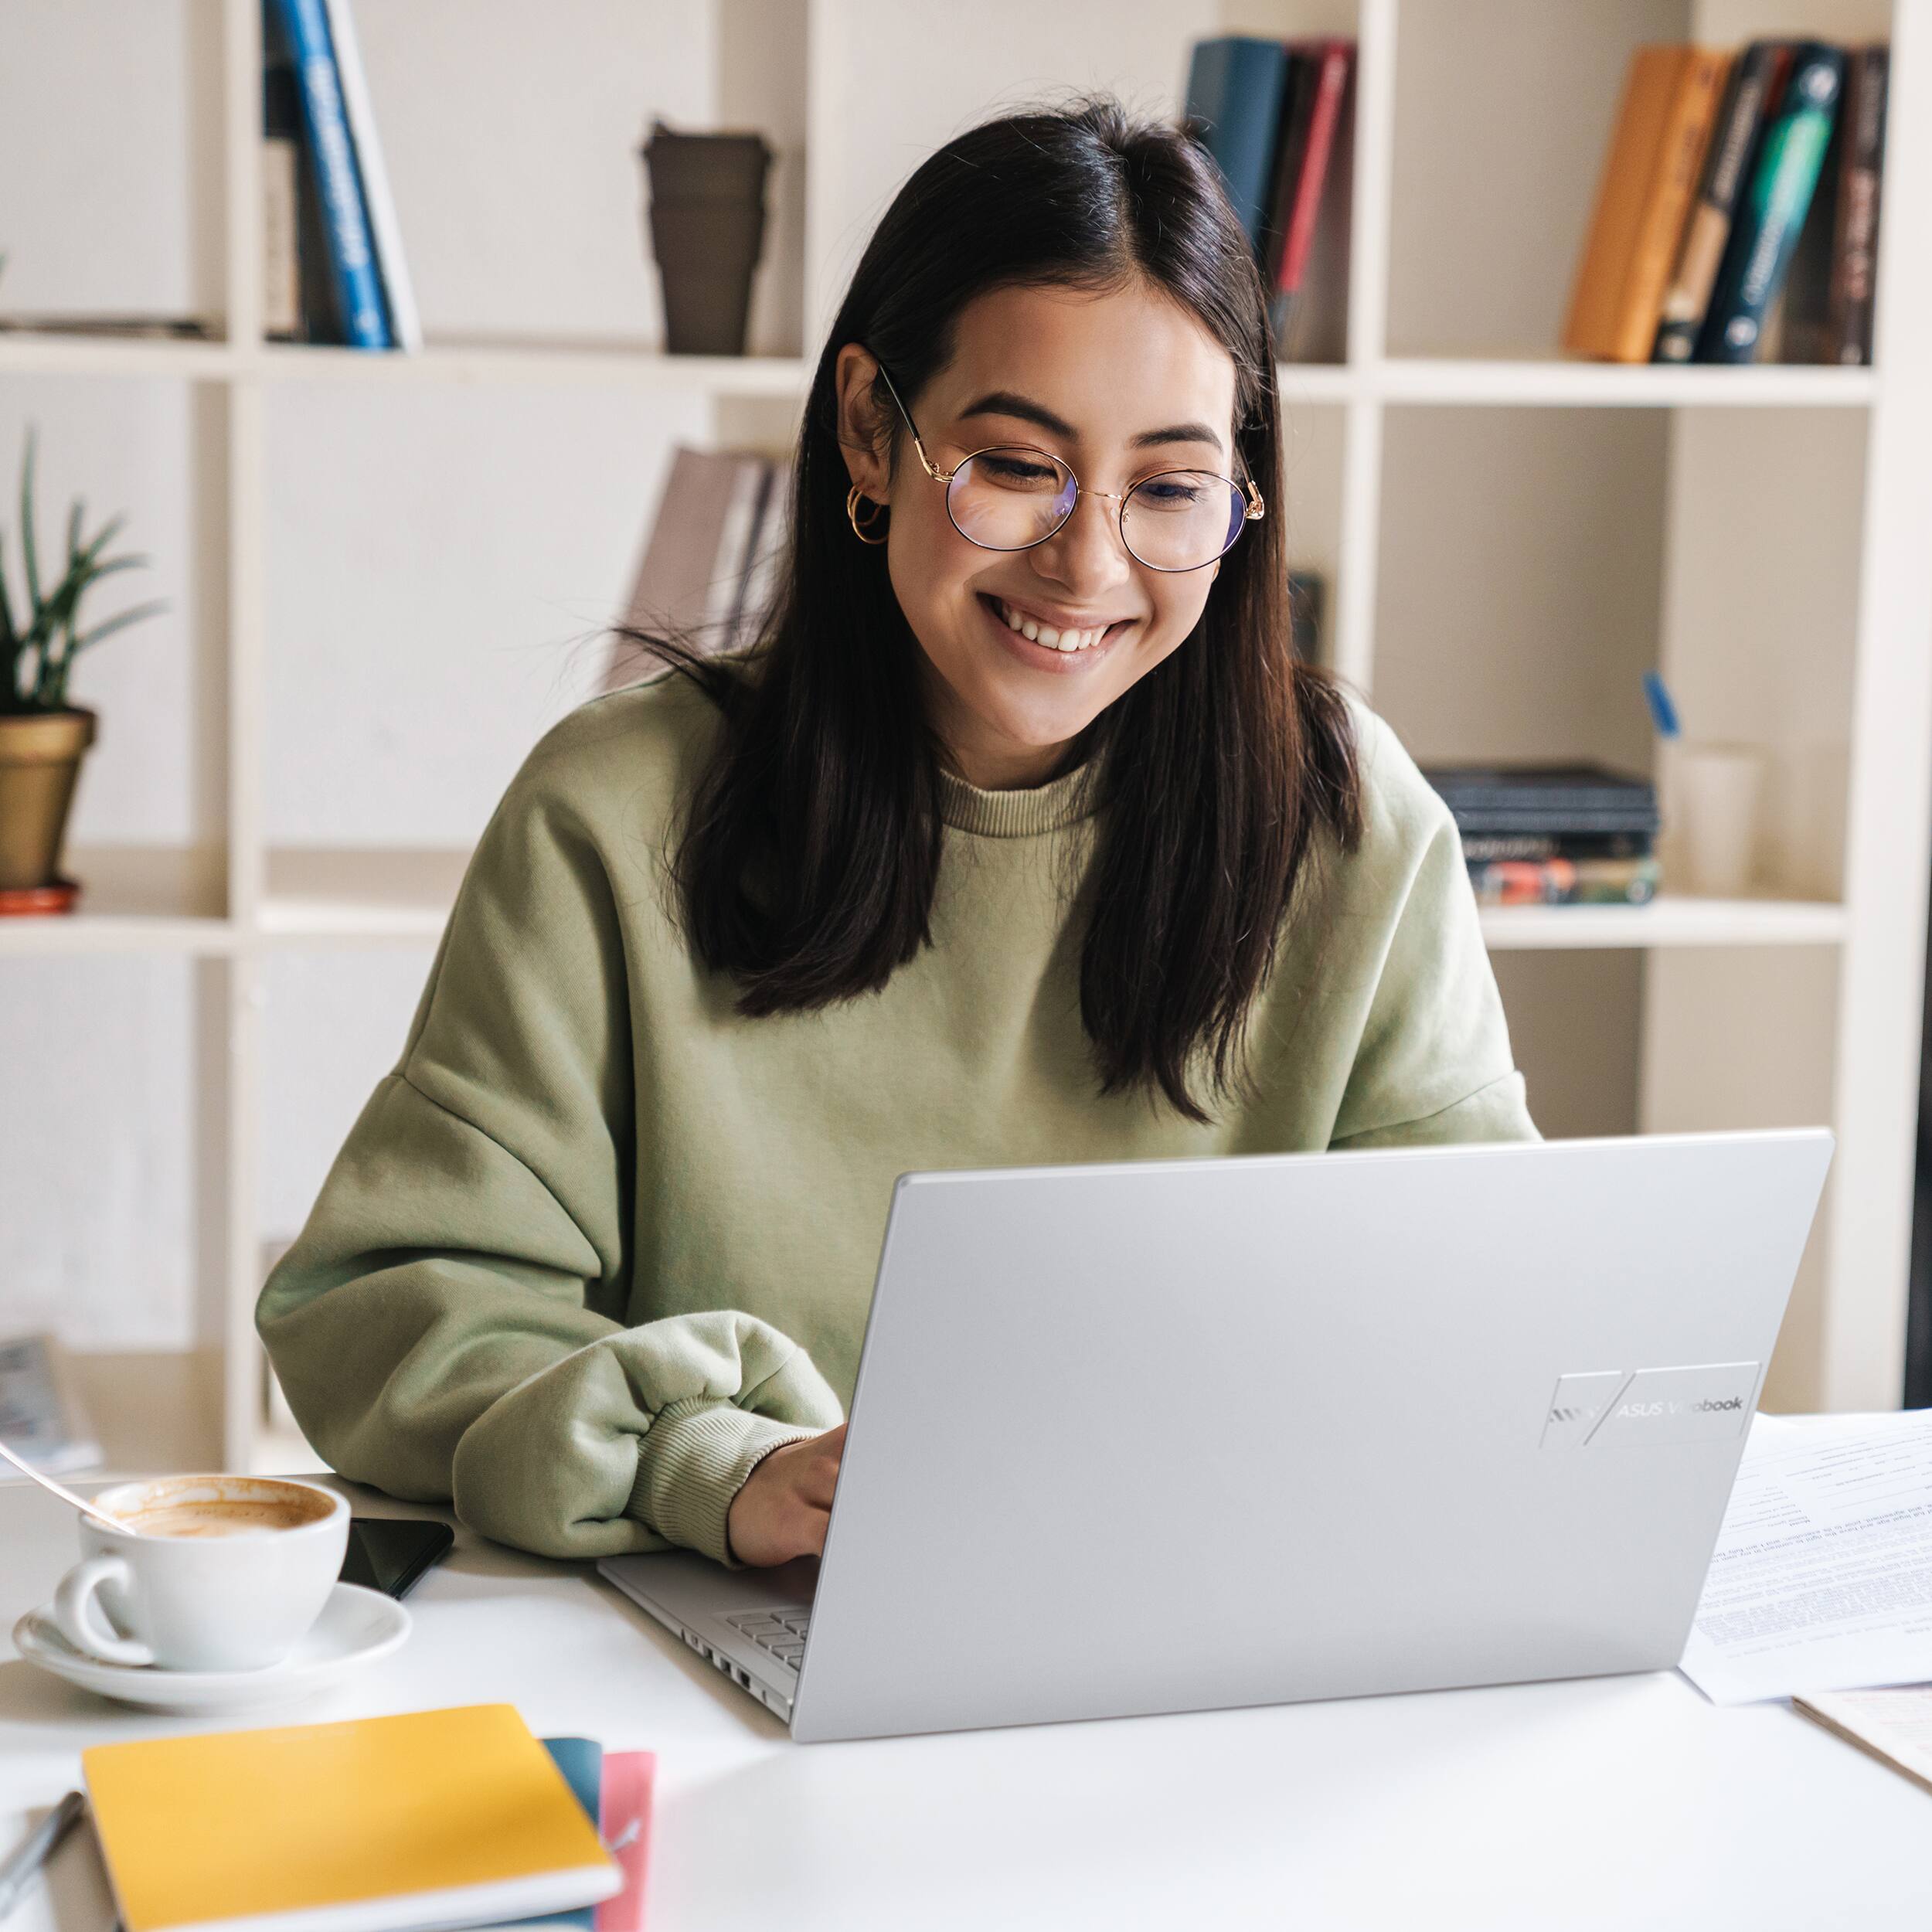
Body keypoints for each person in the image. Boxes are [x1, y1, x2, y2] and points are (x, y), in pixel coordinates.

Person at [257, 97, 1537, 1571]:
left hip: (1208, 1634)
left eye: (1170, 488)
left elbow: (1479, 1315)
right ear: (873, 430)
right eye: (1014, 464)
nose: (1088, 563)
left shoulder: (1350, 827)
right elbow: (388, 1304)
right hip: (729, 1637)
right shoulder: (615, 818)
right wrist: (703, 1459)